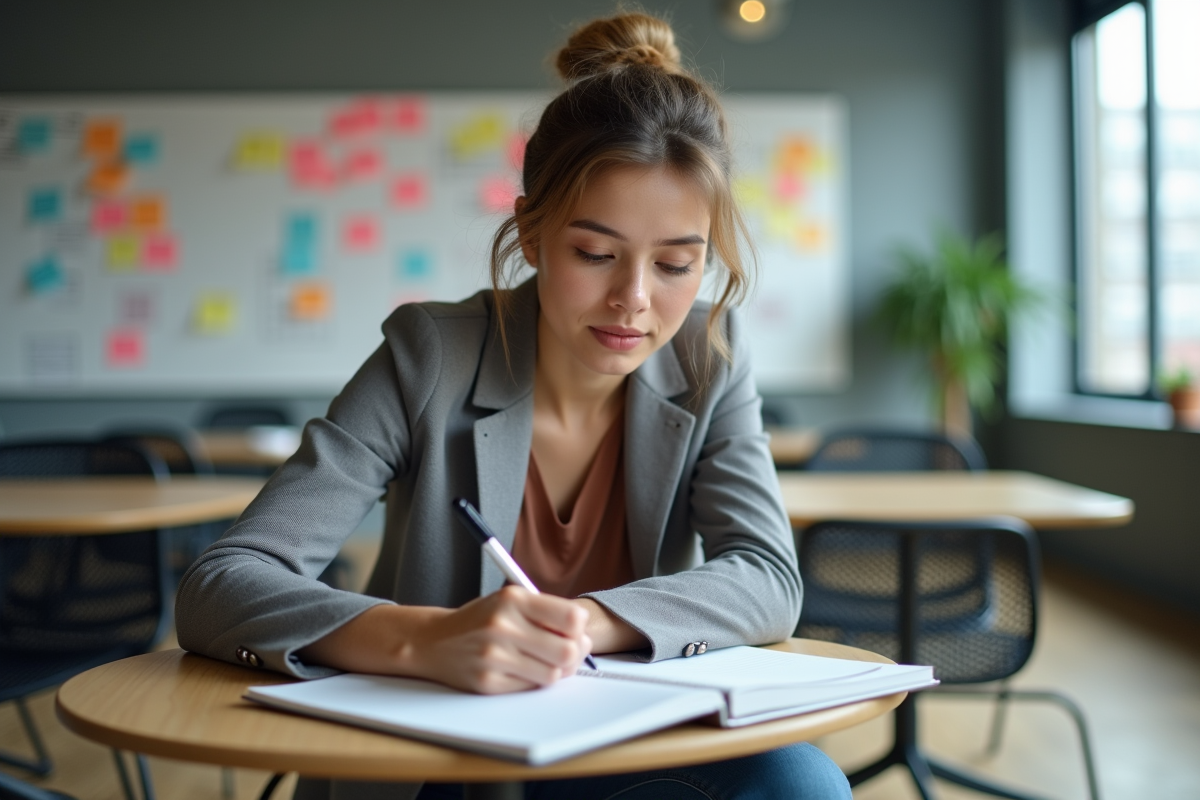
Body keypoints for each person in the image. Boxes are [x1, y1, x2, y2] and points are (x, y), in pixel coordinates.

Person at [176, 11, 851, 800]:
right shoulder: (429, 353)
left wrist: (583, 625)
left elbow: (767, 575)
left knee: (802, 785)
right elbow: (221, 585)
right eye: (595, 254)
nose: (634, 301)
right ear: (530, 234)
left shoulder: (709, 356)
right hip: (441, 755)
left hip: (626, 738)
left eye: (675, 264)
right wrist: (424, 640)